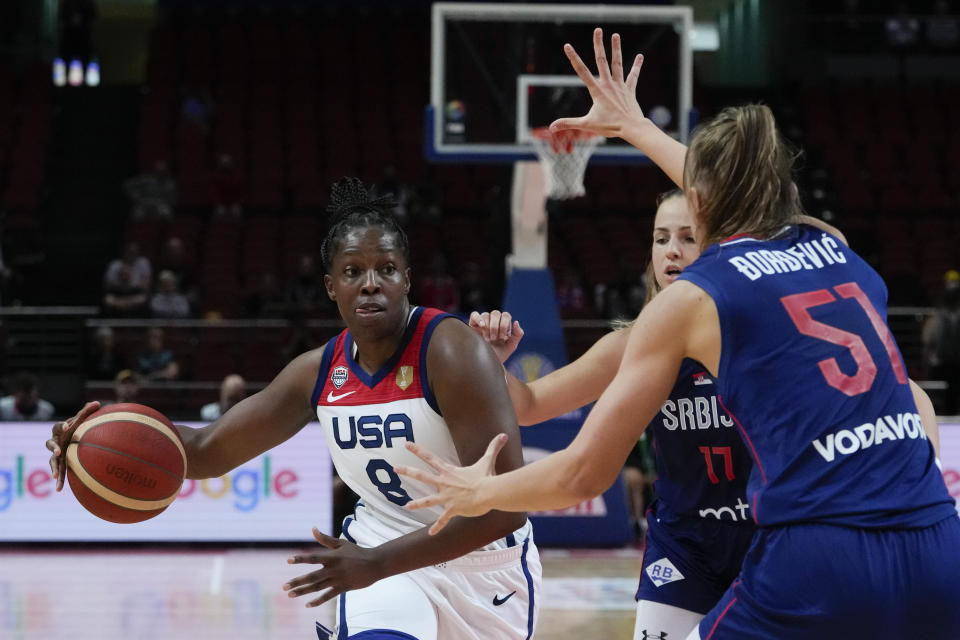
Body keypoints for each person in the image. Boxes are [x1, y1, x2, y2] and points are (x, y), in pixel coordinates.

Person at [396, 30, 960, 639]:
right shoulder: (836, 249)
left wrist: (483, 492)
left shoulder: (692, 301)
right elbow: (746, 202)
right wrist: (637, 129)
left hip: (820, 552)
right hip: (935, 541)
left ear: (699, 202)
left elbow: (584, 475)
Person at [46, 177, 541, 640]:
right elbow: (202, 450)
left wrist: (377, 564)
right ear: (331, 287)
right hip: (380, 552)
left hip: (482, 564)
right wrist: (98, 431)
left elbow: (504, 510)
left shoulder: (451, 351)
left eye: (385, 269)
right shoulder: (318, 372)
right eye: (352, 271)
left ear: (406, 279)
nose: (370, 283)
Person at [470, 190, 756, 639]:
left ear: (720, 247)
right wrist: (492, 362)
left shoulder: (756, 337)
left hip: (765, 536)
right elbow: (529, 406)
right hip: (684, 545)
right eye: (661, 239)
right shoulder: (630, 345)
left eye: (688, 237)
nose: (672, 250)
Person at [923, 269, 960, 414]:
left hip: (956, 361)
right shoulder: (938, 314)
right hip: (941, 361)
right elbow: (928, 339)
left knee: (953, 395)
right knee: (942, 397)